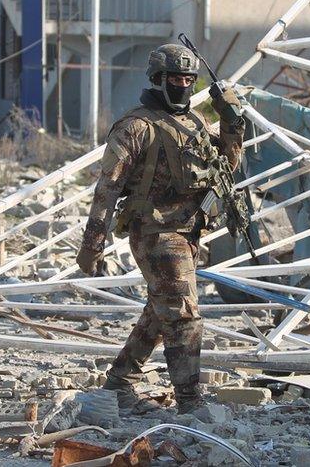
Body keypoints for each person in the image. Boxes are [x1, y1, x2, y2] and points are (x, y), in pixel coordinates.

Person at [76, 44, 245, 414]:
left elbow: (227, 166)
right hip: (155, 231)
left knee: (161, 309)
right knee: (183, 312)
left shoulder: (195, 122)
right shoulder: (135, 127)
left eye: (188, 79)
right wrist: (93, 244)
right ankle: (190, 401)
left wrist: (232, 121)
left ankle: (119, 383)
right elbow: (107, 189)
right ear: (157, 80)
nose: (183, 85)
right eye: (175, 79)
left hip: (189, 231)